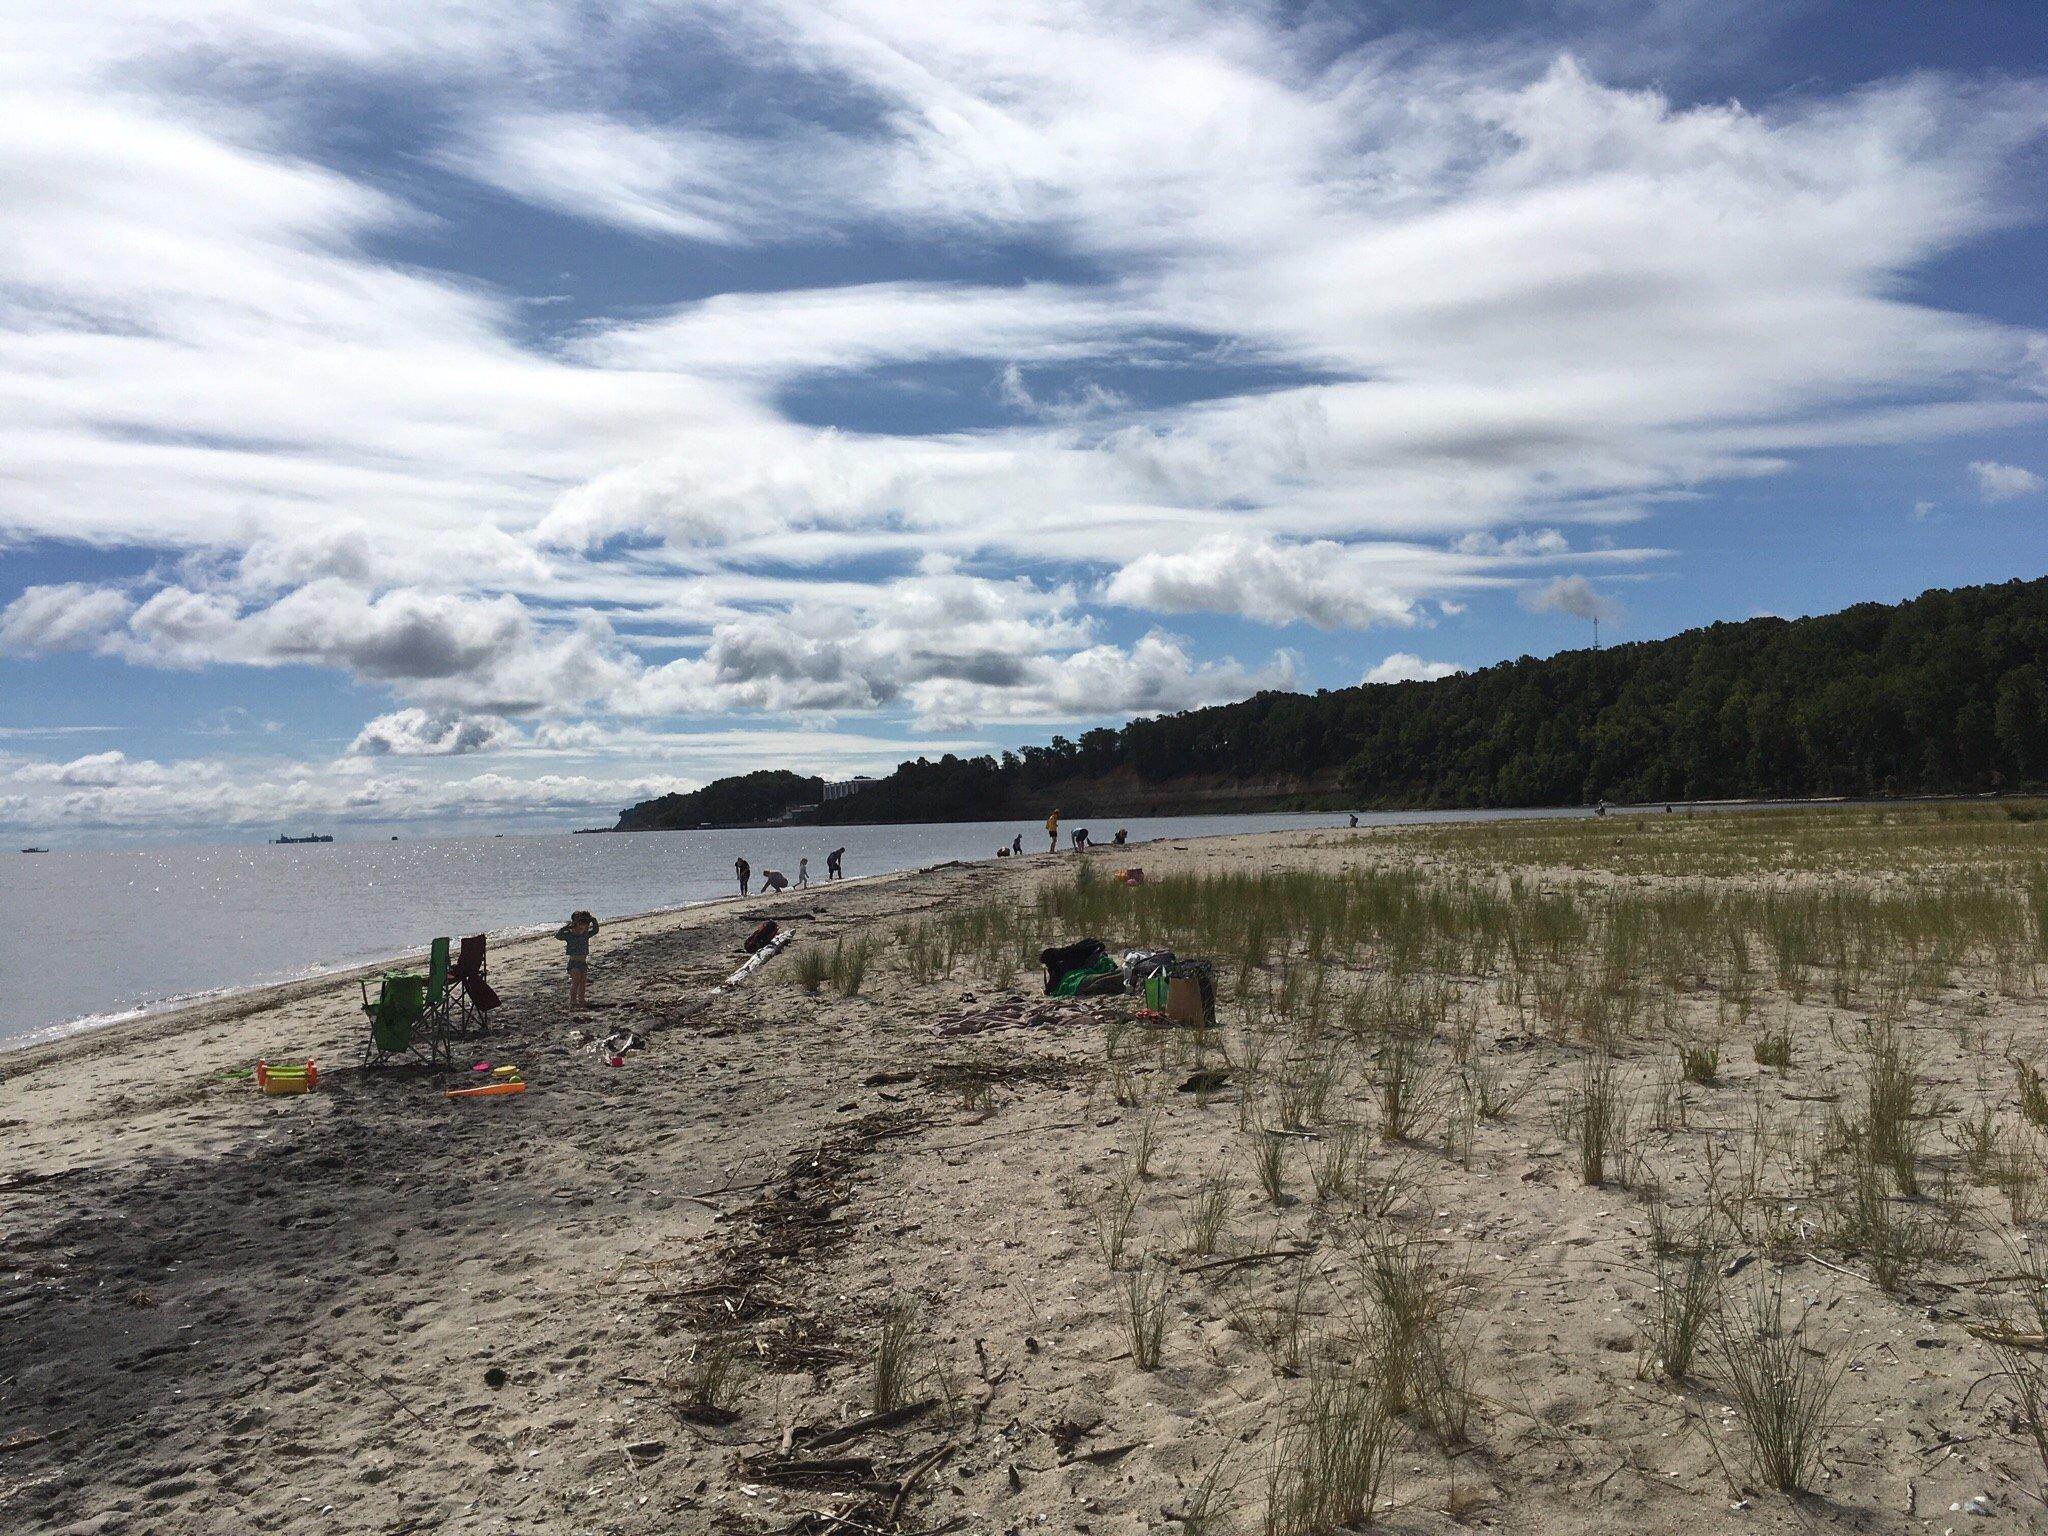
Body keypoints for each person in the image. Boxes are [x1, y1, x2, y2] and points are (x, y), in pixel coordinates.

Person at [556, 910, 599, 1010]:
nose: (581, 929)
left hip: (583, 962)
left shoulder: (585, 935)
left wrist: (593, 920)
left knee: (583, 982)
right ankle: (573, 1000)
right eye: (579, 926)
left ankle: (581, 999)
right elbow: (558, 936)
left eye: (584, 926)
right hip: (573, 963)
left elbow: (595, 930)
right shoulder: (570, 935)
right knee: (576, 981)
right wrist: (567, 927)